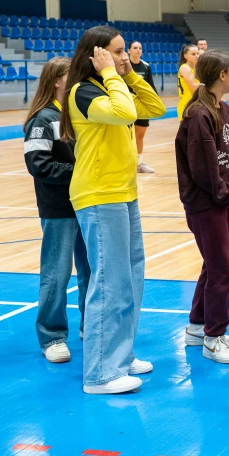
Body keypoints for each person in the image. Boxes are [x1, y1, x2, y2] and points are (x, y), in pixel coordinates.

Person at [60, 25, 166, 394]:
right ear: (96, 55)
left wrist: (128, 73)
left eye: (125, 51)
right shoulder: (83, 91)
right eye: (117, 52)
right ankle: (100, 373)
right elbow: (124, 113)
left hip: (124, 192)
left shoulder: (113, 83)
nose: (124, 57)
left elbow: (154, 108)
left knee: (132, 277)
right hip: (99, 193)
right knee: (110, 280)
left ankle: (120, 355)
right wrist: (110, 72)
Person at [176, 50, 229, 365]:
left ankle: (197, 325)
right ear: (222, 75)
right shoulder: (199, 115)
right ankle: (213, 337)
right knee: (221, 267)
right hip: (206, 204)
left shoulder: (225, 110)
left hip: (224, 201)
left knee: (215, 263)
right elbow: (204, 169)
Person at [23, 57, 90, 364]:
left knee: (90, 270)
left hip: (86, 203)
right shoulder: (42, 119)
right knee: (57, 273)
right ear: (56, 82)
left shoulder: (73, 114)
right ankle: (52, 336)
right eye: (69, 75)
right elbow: (39, 164)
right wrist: (80, 172)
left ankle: (90, 325)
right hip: (58, 208)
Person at [128, 41, 157, 173]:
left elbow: (150, 87)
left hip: (141, 106)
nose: (138, 50)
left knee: (139, 136)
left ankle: (139, 164)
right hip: (127, 105)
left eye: (140, 48)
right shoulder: (123, 66)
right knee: (127, 136)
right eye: (135, 48)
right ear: (129, 50)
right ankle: (127, 164)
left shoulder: (146, 66)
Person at [177, 43, 200, 122]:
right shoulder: (185, 68)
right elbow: (193, 87)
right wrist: (206, 82)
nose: (196, 56)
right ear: (185, 56)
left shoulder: (196, 68)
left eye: (197, 53)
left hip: (195, 104)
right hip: (187, 105)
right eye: (193, 54)